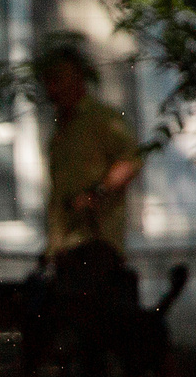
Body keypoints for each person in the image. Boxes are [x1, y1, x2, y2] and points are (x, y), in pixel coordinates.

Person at [40, 45, 143, 260]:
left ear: (78, 78)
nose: (52, 89)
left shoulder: (102, 119)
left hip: (98, 245)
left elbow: (131, 162)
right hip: (63, 248)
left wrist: (97, 193)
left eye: (59, 79)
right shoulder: (61, 128)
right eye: (48, 81)